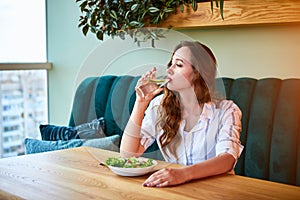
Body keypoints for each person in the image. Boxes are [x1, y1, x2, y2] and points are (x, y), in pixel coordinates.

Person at [120, 41, 244, 187]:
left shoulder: (227, 111)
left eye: (178, 65)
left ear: (199, 74)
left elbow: (227, 159)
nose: (169, 70)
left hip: (216, 190)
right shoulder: (159, 106)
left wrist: (183, 174)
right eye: (170, 64)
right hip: (176, 189)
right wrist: (140, 102)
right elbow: (129, 154)